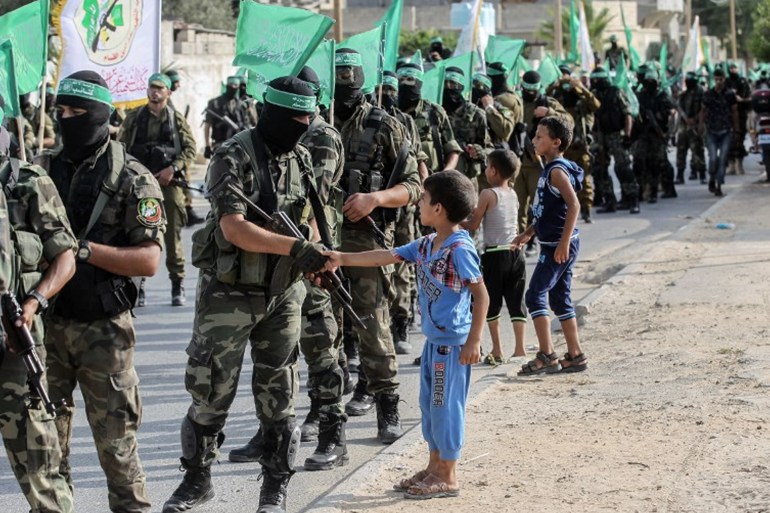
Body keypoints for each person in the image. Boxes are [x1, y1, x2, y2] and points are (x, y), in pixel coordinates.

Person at [161, 76, 330, 513]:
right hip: (229, 295)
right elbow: (233, 228)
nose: (302, 125)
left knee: (280, 393)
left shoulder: (303, 159)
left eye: (307, 118)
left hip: (282, 294)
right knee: (211, 390)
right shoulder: (231, 154)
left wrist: (313, 253)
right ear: (271, 114)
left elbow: (310, 217)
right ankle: (197, 481)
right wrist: (295, 248)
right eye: (294, 118)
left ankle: (274, 488)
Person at [41, 70, 166, 513]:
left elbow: (150, 260)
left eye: (77, 113)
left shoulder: (134, 177)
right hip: (46, 329)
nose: (66, 120)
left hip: (104, 332)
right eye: (61, 112)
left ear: (100, 116)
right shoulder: (40, 171)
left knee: (117, 450)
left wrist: (86, 251)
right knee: (46, 453)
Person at [324, 170, 489, 500]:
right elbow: (387, 255)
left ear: (439, 209)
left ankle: (449, 474)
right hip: (433, 344)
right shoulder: (427, 244)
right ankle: (434, 465)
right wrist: (341, 258)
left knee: (446, 409)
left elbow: (481, 294)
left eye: (424, 200)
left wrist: (473, 341)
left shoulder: (459, 248)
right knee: (430, 409)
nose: (419, 205)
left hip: (452, 347)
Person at [227, 66, 351, 472]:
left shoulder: (322, 137)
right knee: (277, 358)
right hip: (280, 259)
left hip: (310, 255)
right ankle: (270, 432)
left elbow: (317, 202)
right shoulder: (262, 142)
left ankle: (334, 434)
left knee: (321, 346)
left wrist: (308, 249)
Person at [332, 49, 420, 441]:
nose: (343, 93)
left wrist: (375, 199)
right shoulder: (313, 120)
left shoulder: (384, 124)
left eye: (349, 85)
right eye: (338, 85)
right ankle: (326, 412)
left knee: (370, 320)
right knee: (322, 327)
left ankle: (386, 403)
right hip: (317, 238)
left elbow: (414, 185)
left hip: (366, 237)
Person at [0, 121, 76, 513]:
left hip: (14, 336)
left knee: (38, 460)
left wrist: (34, 302)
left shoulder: (26, 181)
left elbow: (65, 256)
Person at [513, 116, 587, 376]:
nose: (534, 140)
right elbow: (545, 213)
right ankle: (576, 355)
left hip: (558, 246)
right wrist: (527, 233)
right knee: (559, 299)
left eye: (540, 137)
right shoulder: (549, 169)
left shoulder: (557, 170)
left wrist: (564, 243)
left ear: (556, 143)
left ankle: (547, 355)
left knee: (534, 296)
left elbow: (574, 205)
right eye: (535, 136)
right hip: (553, 243)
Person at [119, 73, 197, 306]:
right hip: (142, 187)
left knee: (172, 237)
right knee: (142, 234)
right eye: (152, 87)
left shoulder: (176, 120)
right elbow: (121, 149)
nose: (155, 92)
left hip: (168, 185)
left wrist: (173, 168)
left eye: (159, 88)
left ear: (168, 93)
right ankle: (139, 284)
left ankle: (177, 283)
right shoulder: (134, 118)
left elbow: (190, 150)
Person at [378, 70, 429, 356]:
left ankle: (400, 321)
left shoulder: (406, 121)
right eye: (383, 88)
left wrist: (422, 192)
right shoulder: (367, 119)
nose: (387, 93)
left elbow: (418, 159)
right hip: (373, 204)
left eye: (391, 89)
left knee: (402, 261)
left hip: (402, 203)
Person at [460, 149, 527, 364]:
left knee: (493, 303)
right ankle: (520, 349)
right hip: (516, 253)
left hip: (495, 255)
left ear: (494, 170)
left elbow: (473, 225)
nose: (486, 170)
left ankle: (497, 350)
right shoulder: (513, 193)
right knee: (516, 302)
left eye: (487, 166)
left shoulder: (488, 193)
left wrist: (452, 220)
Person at [513, 70, 569, 256]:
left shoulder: (547, 102)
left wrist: (549, 112)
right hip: (519, 162)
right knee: (518, 206)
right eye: (526, 89)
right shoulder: (517, 102)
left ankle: (533, 240)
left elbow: (569, 122)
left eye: (533, 90)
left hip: (538, 164)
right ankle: (518, 240)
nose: (529, 93)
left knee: (538, 205)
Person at [397, 62, 461, 181]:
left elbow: (452, 149)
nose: (404, 83)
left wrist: (445, 174)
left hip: (433, 180)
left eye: (410, 79)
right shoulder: (391, 113)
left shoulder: (435, 111)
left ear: (419, 82)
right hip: (401, 184)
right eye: (401, 80)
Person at [551, 73, 600, 223]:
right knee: (560, 180)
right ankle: (564, 211)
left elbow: (595, 104)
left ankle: (586, 210)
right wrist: (554, 85)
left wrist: (580, 87)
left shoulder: (580, 98)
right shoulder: (557, 98)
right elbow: (544, 99)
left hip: (579, 145)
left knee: (583, 178)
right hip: (561, 146)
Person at [590, 67, 639, 214]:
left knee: (623, 168)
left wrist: (627, 135)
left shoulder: (616, 92)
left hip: (616, 135)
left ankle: (632, 200)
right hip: (600, 136)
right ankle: (609, 201)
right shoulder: (593, 95)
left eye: (596, 80)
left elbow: (627, 114)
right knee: (600, 169)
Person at [633, 67, 677, 202]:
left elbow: (672, 112)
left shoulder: (662, 96)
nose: (650, 83)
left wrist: (668, 131)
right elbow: (635, 112)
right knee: (639, 163)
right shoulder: (641, 96)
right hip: (643, 134)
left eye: (653, 80)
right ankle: (640, 191)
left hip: (657, 135)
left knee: (656, 164)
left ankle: (653, 192)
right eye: (648, 80)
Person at [442, 67, 492, 183]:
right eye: (445, 83)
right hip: (437, 176)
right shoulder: (434, 112)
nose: (448, 87)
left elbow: (489, 149)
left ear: (461, 86)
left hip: (465, 179)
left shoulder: (476, 114)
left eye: (453, 83)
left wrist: (478, 151)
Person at [700, 68, 739, 197]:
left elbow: (734, 112)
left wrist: (737, 128)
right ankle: (712, 177)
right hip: (711, 131)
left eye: (721, 79)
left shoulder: (729, 94)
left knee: (722, 159)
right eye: (716, 79)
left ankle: (719, 185)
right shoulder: (708, 94)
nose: (718, 81)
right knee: (712, 159)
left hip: (726, 131)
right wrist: (701, 125)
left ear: (724, 79)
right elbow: (703, 111)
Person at [203, 76, 248, 158]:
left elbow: (247, 125)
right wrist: (207, 146)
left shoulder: (241, 105)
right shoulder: (215, 103)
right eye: (231, 84)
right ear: (227, 85)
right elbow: (207, 125)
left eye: (236, 85)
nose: (233, 87)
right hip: (220, 144)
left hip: (238, 145)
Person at [471, 72, 515, 155]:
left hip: (492, 156)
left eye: (479, 86)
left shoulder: (501, 109)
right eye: (473, 86)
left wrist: (490, 109)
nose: (475, 89)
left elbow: (505, 132)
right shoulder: (466, 108)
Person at [676, 71, 707, 184]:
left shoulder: (701, 92)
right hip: (684, 126)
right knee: (681, 151)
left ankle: (702, 174)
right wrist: (685, 118)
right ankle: (680, 175)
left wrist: (696, 120)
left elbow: (703, 108)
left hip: (696, 125)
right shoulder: (684, 93)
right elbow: (679, 106)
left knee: (698, 150)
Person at [725, 63, 752, 175]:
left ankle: (739, 164)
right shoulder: (726, 82)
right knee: (728, 140)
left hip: (740, 114)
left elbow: (749, 98)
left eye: (735, 68)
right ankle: (731, 164)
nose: (733, 70)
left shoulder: (743, 82)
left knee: (739, 138)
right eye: (731, 68)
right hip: (727, 115)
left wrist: (741, 99)